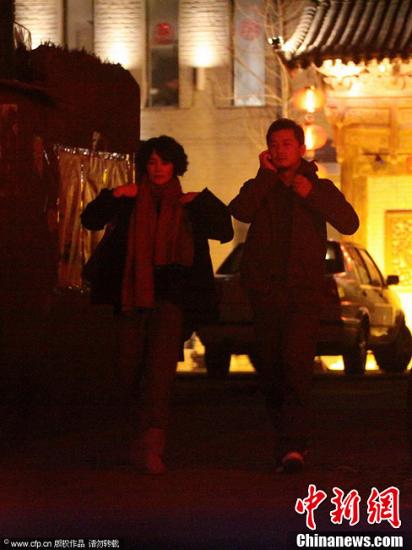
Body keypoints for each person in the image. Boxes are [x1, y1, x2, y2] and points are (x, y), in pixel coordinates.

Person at [81, 135, 233, 474]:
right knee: (127, 369)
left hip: (171, 301)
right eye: (151, 162)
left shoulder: (187, 205)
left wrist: (203, 201)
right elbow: (89, 219)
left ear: (176, 166)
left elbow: (224, 230)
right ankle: (132, 439)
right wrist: (115, 194)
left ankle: (152, 445)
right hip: (131, 298)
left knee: (160, 374)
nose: (157, 168)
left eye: (164, 162)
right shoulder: (130, 200)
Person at [229, 118, 359, 473]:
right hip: (266, 292)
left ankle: (293, 445)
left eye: (287, 143)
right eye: (274, 144)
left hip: (303, 293)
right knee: (271, 368)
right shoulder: (261, 185)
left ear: (301, 149)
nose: (280, 150)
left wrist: (312, 194)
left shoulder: (318, 186)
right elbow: (240, 211)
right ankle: (286, 436)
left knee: (296, 365)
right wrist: (264, 177)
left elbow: (349, 223)